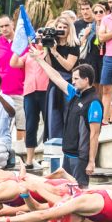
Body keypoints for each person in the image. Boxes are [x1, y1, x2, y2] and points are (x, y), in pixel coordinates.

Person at [36, 55, 103, 187]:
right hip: (67, 154)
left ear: (86, 79)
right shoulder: (75, 94)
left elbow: (94, 134)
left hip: (80, 158)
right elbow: (56, 77)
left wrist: (91, 161)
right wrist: (38, 60)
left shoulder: (94, 102)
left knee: (80, 191)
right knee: (65, 190)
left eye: (76, 79)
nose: (73, 82)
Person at [42, 13, 80, 153]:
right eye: (59, 27)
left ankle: (69, 145)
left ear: (70, 29)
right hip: (54, 83)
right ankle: (54, 143)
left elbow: (69, 66)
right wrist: (48, 48)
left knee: (68, 114)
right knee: (53, 115)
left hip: (69, 81)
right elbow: (49, 66)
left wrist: (55, 52)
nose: (62, 29)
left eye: (65, 27)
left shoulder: (74, 44)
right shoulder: (53, 42)